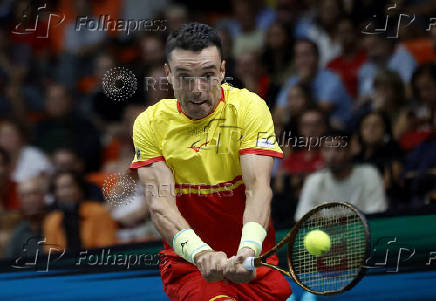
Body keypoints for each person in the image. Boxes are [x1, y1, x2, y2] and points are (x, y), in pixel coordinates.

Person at [130, 23, 292, 300]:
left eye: (207, 75)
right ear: (168, 75)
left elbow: (257, 189)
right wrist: (199, 252)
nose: (197, 89)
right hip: (190, 265)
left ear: (223, 71)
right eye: (184, 77)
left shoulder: (249, 109)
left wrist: (249, 248)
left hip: (253, 263)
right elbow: (160, 205)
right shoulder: (150, 124)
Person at [295, 130, 387, 220]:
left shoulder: (369, 174)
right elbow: (302, 219)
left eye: (338, 149)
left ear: (349, 151)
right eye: (327, 149)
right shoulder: (313, 180)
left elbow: (377, 215)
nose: (332, 155)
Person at [276, 39, 352, 128]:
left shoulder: (332, 79)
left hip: (335, 131)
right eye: (298, 56)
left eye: (306, 55)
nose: (302, 60)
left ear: (317, 57)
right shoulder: (293, 81)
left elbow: (322, 110)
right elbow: (279, 112)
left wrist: (303, 83)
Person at [43, 171, 116, 252]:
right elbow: (50, 254)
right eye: (60, 188)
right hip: (65, 263)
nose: (65, 192)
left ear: (79, 189)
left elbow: (107, 248)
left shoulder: (98, 212)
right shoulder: (51, 220)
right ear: (55, 194)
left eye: (68, 186)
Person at [5, 177, 47, 258]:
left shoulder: (57, 223)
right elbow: (10, 266)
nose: (30, 199)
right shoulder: (18, 235)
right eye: (25, 196)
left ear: (43, 196)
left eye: (34, 193)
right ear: (20, 202)